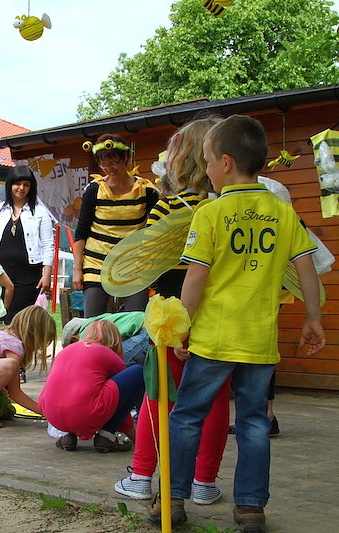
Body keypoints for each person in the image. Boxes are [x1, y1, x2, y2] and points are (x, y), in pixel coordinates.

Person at [150, 115, 325, 532]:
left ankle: (172, 500)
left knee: (187, 417)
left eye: (208, 160)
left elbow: (196, 275)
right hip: (260, 342)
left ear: (225, 163)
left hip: (212, 340)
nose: (206, 168)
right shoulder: (281, 212)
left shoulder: (211, 213)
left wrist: (181, 325)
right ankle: (250, 509)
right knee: (253, 424)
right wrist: (313, 319)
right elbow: (306, 268)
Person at [114, 117, 230, 504]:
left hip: (170, 312)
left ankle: (143, 474)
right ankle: (204, 482)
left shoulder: (166, 207)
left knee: (158, 394)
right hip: (215, 315)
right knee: (214, 398)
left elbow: (148, 261)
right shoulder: (222, 208)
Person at [72, 134, 158, 317]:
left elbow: (155, 231)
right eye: (103, 164)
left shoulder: (146, 191)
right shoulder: (94, 190)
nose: (109, 169)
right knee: (92, 324)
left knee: (135, 322)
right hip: (96, 264)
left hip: (133, 264)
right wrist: (77, 270)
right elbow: (81, 232)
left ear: (126, 158)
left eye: (113, 163)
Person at [39, 320, 144, 453]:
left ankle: (66, 434)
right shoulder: (107, 353)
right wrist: (135, 437)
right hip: (84, 414)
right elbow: (121, 399)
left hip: (52, 416)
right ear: (114, 341)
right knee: (138, 372)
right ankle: (107, 435)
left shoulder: (66, 350)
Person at [0, 165, 54, 323]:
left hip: (28, 276)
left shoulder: (39, 212)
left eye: (26, 184)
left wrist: (46, 275)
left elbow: (47, 245)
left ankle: (18, 348)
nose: (21, 188)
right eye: (17, 184)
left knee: (17, 320)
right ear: (10, 185)